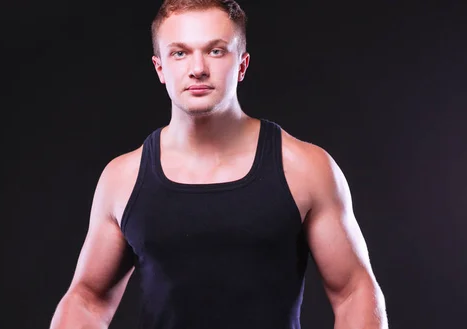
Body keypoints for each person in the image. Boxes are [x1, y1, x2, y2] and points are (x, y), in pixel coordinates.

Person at [49, 1, 388, 328]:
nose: (197, 68)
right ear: (160, 68)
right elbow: (87, 300)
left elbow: (354, 292)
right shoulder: (122, 179)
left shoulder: (305, 168)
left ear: (241, 64)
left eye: (215, 50)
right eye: (180, 53)